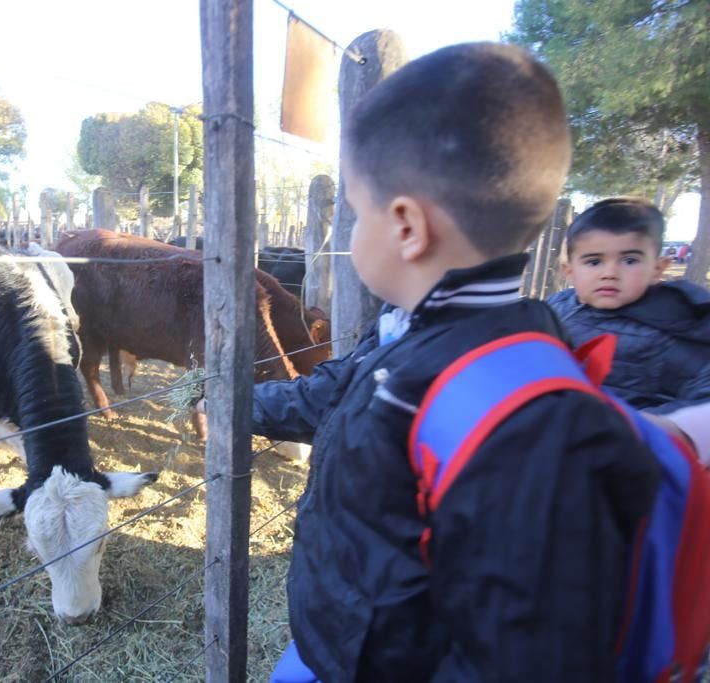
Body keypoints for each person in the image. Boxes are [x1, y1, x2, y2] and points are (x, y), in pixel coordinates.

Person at [208, 43, 660, 682]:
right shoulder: (412, 337)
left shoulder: (522, 415)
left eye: (357, 213)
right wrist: (234, 405)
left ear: (406, 227)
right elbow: (334, 395)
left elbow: (530, 654)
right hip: (338, 645)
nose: (353, 232)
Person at [548, 198, 710, 413]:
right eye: (594, 262)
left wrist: (646, 426)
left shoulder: (672, 329)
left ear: (657, 268)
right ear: (569, 272)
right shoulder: (556, 307)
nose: (610, 273)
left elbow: (702, 401)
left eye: (629, 260)